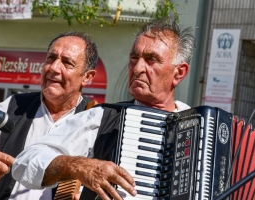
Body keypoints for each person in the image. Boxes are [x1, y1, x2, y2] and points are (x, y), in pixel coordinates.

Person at [12, 16, 196, 200]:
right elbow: (25, 163)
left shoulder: (196, 127)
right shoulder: (101, 117)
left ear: (179, 73)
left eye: (151, 60)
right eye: (134, 57)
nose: (138, 67)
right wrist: (78, 166)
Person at [0, 30, 98, 200]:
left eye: (67, 63)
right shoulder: (12, 107)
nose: (54, 68)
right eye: (51, 58)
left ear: (87, 77)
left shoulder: (94, 121)